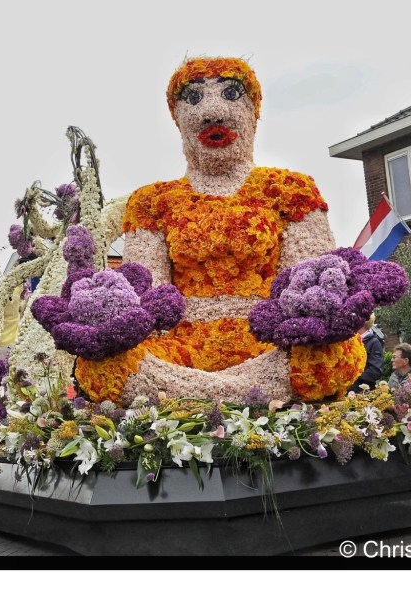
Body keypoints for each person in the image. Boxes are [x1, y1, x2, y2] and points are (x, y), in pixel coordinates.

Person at [73, 56, 370, 406]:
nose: (213, 112)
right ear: (178, 119)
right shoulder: (152, 202)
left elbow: (313, 291)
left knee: (331, 352)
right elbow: (147, 302)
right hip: (180, 346)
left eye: (231, 94)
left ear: (253, 112)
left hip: (271, 337)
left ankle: (188, 397)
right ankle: (250, 395)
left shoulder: (290, 190)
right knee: (100, 365)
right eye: (194, 98)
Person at [351, 313, 385, 391]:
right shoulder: (352, 342)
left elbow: (376, 370)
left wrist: (354, 379)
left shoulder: (374, 342)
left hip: (362, 392)